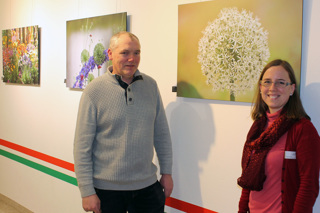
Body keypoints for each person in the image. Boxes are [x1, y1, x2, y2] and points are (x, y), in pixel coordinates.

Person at [74, 31, 173, 213]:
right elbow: (82, 147)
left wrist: (166, 172)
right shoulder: (94, 91)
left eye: (137, 53)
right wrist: (87, 191)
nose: (132, 59)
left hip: (147, 188)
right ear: (110, 54)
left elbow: (161, 134)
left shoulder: (151, 86)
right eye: (125, 52)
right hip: (107, 192)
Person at [237, 59, 320, 213]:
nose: (273, 88)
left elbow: (309, 186)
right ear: (261, 87)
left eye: (281, 82)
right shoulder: (257, 128)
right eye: (267, 82)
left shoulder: (303, 130)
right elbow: (248, 178)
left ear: (292, 89)